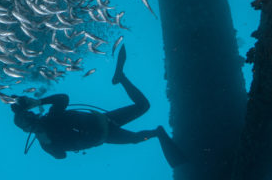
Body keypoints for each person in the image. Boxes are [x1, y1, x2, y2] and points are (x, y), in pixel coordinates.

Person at [11, 45, 185, 168]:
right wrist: (47, 140)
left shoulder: (51, 123)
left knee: (137, 129)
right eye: (29, 120)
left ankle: (157, 132)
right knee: (140, 118)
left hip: (104, 128)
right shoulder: (49, 129)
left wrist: (39, 102)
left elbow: (63, 99)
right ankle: (122, 80)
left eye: (29, 119)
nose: (33, 120)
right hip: (104, 127)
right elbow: (60, 155)